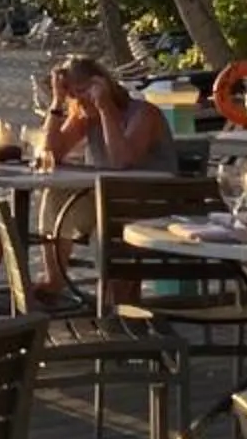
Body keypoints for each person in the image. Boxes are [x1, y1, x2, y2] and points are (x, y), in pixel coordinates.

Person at [35, 56, 179, 297]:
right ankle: (55, 280)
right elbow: (50, 154)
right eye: (72, 94)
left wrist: (104, 108)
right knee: (55, 196)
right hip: (108, 201)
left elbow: (121, 161)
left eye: (83, 91)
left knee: (105, 233)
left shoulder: (144, 114)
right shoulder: (85, 115)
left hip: (148, 203)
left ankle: (117, 303)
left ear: (101, 86)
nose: (79, 99)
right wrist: (57, 102)